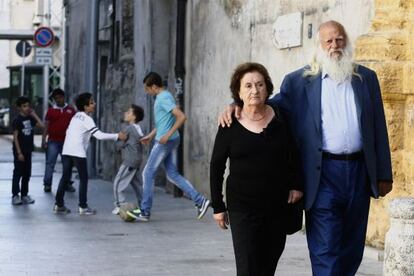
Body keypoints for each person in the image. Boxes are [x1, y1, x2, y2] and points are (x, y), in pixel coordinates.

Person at [219, 20, 393, 275]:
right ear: (320, 46)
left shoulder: (366, 78)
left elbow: (379, 126)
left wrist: (383, 173)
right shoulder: (299, 82)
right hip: (322, 174)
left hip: (358, 172)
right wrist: (236, 104)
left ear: (347, 41)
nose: (335, 46)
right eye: (329, 41)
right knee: (325, 249)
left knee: (351, 248)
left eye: (340, 39)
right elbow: (270, 106)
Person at [211, 62, 303, 275]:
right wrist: (217, 205)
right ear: (239, 92)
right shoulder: (229, 123)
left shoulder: (281, 118)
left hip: (276, 206)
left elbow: (294, 154)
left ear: (268, 89)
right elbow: (216, 166)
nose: (255, 90)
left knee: (267, 266)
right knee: (247, 267)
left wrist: (296, 185)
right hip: (243, 208)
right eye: (249, 86)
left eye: (260, 85)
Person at [126, 72, 210, 222]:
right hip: (169, 140)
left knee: (147, 173)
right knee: (172, 174)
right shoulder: (166, 96)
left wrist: (166, 135)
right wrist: (151, 135)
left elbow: (181, 117)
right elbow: (164, 121)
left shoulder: (163, 98)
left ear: (154, 86)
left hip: (165, 142)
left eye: (147, 89)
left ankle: (144, 211)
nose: (146, 92)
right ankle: (200, 201)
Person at [54, 92, 127, 215]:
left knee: (65, 177)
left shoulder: (75, 116)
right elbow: (99, 135)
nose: (94, 104)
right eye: (92, 102)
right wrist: (117, 136)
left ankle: (59, 204)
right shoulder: (87, 119)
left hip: (67, 150)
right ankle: (83, 207)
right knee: (83, 179)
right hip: (77, 152)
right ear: (85, 107)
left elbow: (72, 132)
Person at [112, 104, 145, 215]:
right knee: (137, 185)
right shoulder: (138, 128)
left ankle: (119, 205)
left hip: (129, 161)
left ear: (134, 117)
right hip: (137, 160)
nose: (126, 113)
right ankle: (144, 206)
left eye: (129, 112)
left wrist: (118, 142)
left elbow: (119, 144)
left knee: (118, 182)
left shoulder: (129, 128)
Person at [42, 88, 76, 193]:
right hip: (53, 141)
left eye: (60, 97)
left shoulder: (71, 110)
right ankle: (47, 184)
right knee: (50, 163)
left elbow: (75, 126)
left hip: (67, 142)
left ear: (63, 97)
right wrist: (44, 140)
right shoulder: (51, 111)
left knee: (67, 164)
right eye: (56, 98)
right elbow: (46, 126)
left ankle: (67, 184)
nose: (58, 100)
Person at [11, 96, 44, 205]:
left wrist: (34, 114)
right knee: (18, 173)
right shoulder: (17, 121)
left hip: (28, 150)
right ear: (19, 108)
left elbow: (42, 125)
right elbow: (15, 137)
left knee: (27, 173)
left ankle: (24, 195)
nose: (27, 108)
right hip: (19, 151)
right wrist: (19, 152)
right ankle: (15, 195)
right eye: (24, 106)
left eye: (28, 106)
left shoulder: (30, 118)